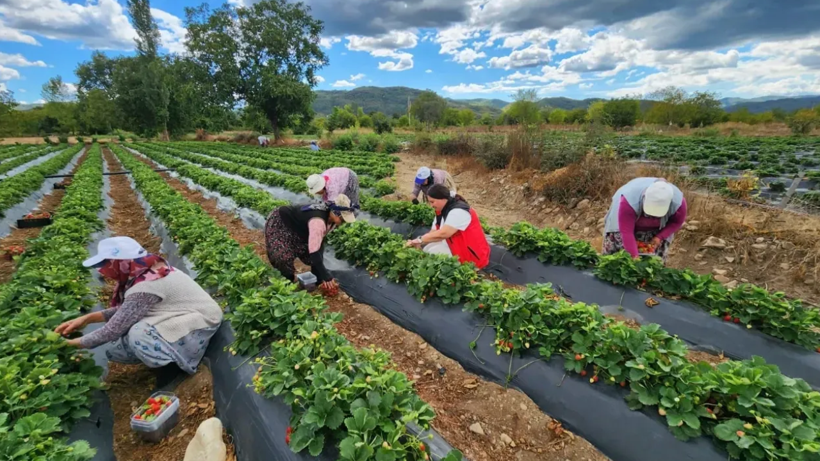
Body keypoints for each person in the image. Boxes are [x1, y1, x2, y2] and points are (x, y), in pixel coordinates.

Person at [55, 237, 223, 376]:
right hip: (179, 312)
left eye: (104, 265)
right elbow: (128, 310)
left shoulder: (145, 285)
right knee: (117, 348)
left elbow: (113, 330)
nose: (101, 271)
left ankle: (178, 364)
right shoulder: (147, 270)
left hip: (203, 319)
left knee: (138, 334)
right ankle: (165, 354)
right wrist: (87, 318)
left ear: (119, 263)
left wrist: (68, 345)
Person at [264, 194, 356, 290]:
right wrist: (326, 277)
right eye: (343, 218)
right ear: (336, 213)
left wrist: (320, 278)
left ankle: (316, 279)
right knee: (282, 256)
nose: (344, 221)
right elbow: (314, 252)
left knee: (314, 258)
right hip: (282, 222)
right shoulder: (318, 222)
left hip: (300, 229)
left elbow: (319, 245)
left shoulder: (331, 219)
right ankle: (287, 282)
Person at [603, 177, 687, 262]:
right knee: (618, 256)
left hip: (658, 227)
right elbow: (626, 232)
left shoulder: (678, 203)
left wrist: (660, 236)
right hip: (624, 223)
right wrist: (634, 257)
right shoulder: (629, 200)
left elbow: (677, 222)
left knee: (655, 258)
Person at [406, 184, 490, 269]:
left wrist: (420, 240)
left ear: (442, 199)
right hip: (456, 246)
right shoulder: (441, 209)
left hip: (471, 255)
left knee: (432, 254)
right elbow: (434, 232)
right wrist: (419, 242)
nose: (431, 206)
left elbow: (444, 233)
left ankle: (467, 273)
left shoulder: (458, 211)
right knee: (427, 249)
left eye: (432, 202)